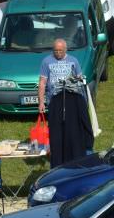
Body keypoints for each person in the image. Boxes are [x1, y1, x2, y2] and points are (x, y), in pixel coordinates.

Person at [38, 38, 93, 168]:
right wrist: (41, 102)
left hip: (71, 102)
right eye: (56, 51)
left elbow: (80, 82)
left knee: (72, 131)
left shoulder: (73, 61)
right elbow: (42, 83)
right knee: (57, 133)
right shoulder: (46, 61)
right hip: (54, 101)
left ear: (66, 49)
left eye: (61, 51)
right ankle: (58, 159)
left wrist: (83, 102)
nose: (58, 53)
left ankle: (74, 157)